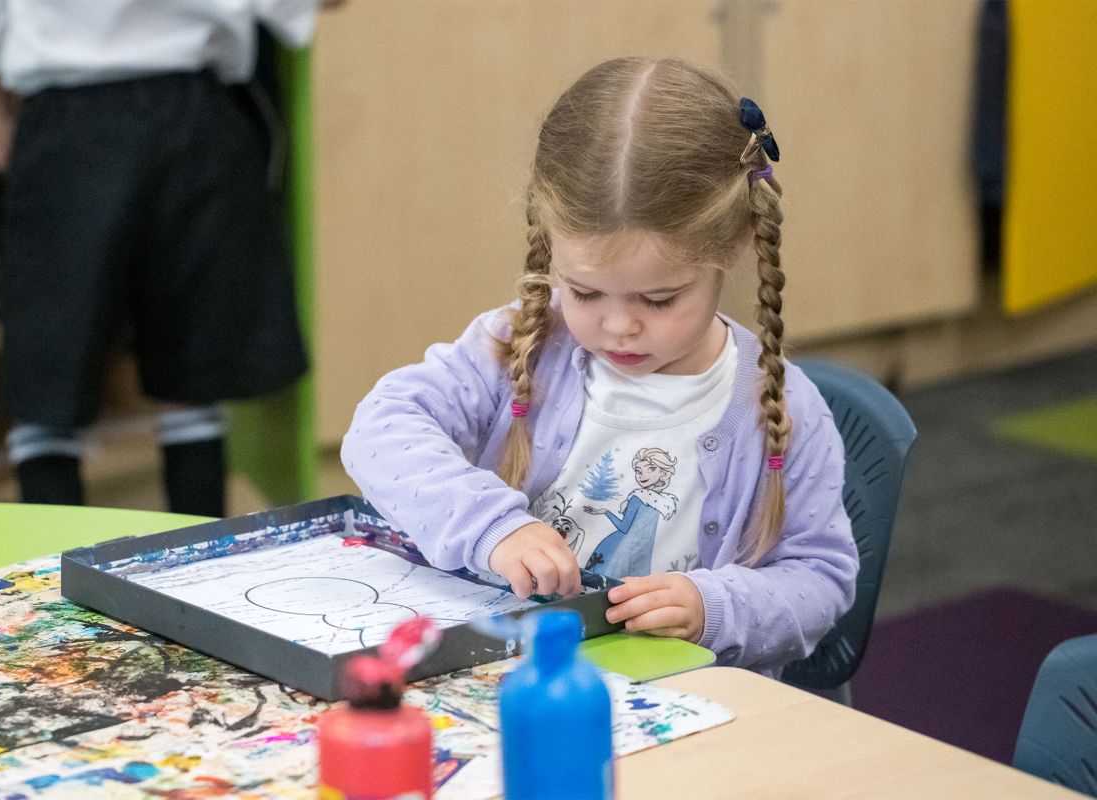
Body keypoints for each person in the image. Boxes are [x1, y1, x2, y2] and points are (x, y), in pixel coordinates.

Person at [341, 57, 860, 677]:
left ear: (735, 243)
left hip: (688, 705)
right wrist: (491, 528)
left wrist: (713, 607)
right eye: (585, 292)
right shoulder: (519, 345)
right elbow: (382, 428)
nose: (618, 327)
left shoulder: (784, 409)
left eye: (658, 300)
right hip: (508, 683)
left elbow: (821, 582)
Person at [0, 1, 339, 516]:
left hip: (66, 113)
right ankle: (201, 552)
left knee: (49, 374)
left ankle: (51, 561)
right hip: (191, 110)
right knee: (192, 373)